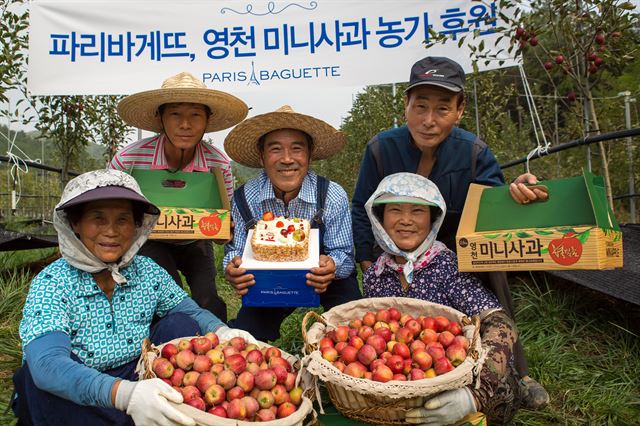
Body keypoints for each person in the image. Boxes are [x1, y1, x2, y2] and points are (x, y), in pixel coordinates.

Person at [351, 56, 549, 409]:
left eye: (442, 108)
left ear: (459, 111)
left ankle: (516, 373)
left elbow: (493, 206)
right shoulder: (382, 148)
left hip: (457, 244)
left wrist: (516, 194)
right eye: (420, 107)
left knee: (490, 284)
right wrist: (368, 260)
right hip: (399, 246)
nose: (429, 120)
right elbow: (361, 205)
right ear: (406, 106)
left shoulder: (473, 152)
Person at [12, 169, 254, 426]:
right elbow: (47, 365)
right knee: (37, 379)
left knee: (181, 324)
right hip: (76, 389)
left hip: (136, 374)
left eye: (123, 220)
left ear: (138, 225)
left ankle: (144, 414)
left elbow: (191, 312)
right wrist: (124, 396)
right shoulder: (53, 283)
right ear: (75, 224)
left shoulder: (147, 271)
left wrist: (223, 331)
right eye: (98, 218)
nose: (111, 231)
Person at [364, 172, 520, 425]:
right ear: (380, 218)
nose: (406, 220)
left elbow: (499, 322)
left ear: (433, 220)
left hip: (454, 376)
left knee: (497, 396)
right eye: (395, 210)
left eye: (417, 211)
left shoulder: (448, 266)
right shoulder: (375, 276)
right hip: (401, 381)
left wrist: (473, 395)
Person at [110, 71, 249, 322]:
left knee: (208, 299)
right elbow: (111, 216)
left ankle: (218, 343)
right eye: (175, 114)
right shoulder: (129, 160)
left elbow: (222, 225)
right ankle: (164, 343)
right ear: (160, 117)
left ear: (207, 119)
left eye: (195, 115)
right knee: (170, 293)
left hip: (194, 241)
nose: (185, 125)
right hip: (149, 241)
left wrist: (224, 230)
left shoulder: (218, 164)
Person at [222, 105, 362, 342]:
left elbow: (345, 255)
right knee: (246, 336)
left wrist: (333, 266)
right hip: (269, 281)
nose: (287, 159)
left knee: (351, 330)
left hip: (323, 281)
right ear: (262, 156)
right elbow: (234, 251)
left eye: (297, 149)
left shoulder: (331, 195)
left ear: (309, 155)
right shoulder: (244, 198)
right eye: (275, 149)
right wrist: (232, 267)